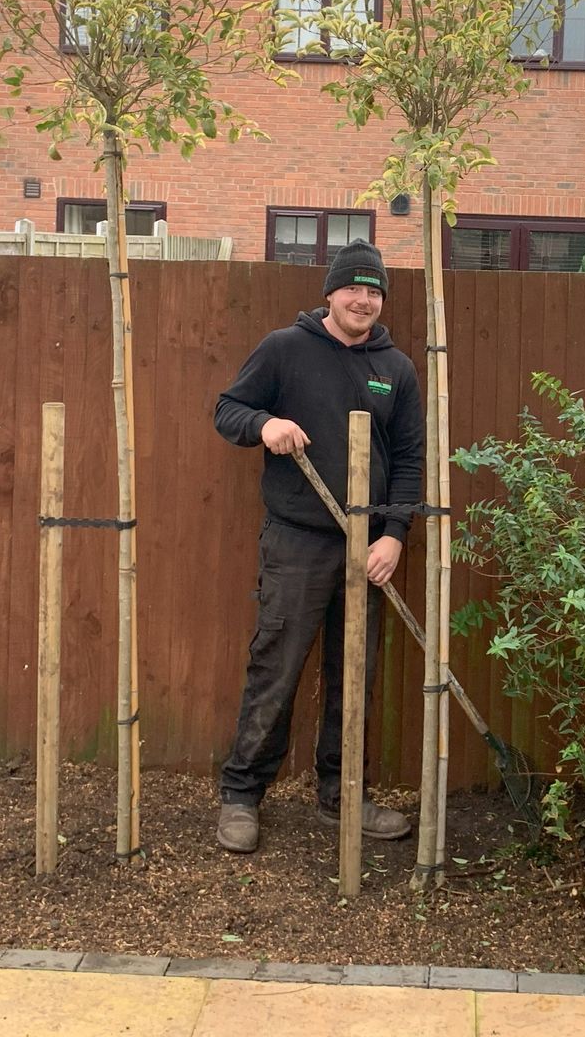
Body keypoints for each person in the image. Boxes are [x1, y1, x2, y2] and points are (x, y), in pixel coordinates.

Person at [211, 238, 422, 854]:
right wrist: (265, 424)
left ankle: (342, 796)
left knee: (354, 675)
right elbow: (229, 409)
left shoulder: (396, 370)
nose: (363, 299)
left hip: (368, 548)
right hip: (298, 539)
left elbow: (409, 461)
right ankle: (242, 795)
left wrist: (394, 536)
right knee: (276, 666)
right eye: (353, 287)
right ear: (329, 292)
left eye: (374, 290)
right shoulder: (285, 350)